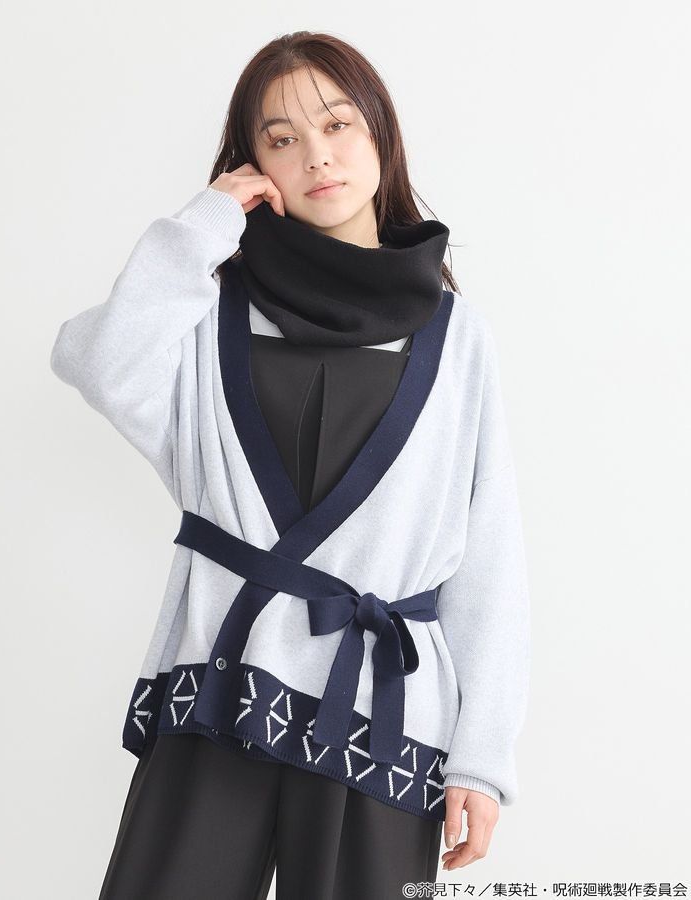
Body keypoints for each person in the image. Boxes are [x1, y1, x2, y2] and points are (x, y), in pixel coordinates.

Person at [50, 30, 531, 900]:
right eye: (282, 138)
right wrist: (201, 226)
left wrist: (482, 757)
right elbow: (98, 361)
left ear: (380, 133)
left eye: (337, 124)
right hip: (221, 684)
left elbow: (488, 556)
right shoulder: (206, 311)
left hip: (382, 712)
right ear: (253, 164)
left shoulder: (458, 337)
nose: (317, 155)